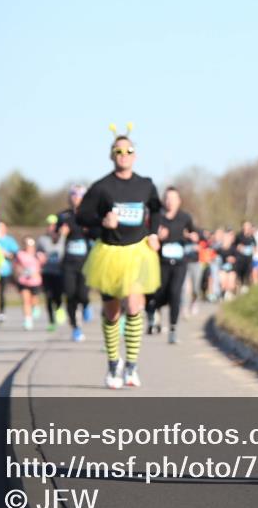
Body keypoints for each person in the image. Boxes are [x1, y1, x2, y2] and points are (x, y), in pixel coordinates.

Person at [77, 125, 161, 389]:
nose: (124, 155)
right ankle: (114, 363)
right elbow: (81, 217)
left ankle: (132, 366)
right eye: (118, 151)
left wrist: (154, 233)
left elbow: (156, 211)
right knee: (112, 313)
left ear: (135, 156)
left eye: (128, 151)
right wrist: (104, 222)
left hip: (138, 252)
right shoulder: (102, 187)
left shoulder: (145, 185)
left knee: (135, 306)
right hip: (110, 254)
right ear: (112, 156)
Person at [146, 187, 197, 344]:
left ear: (179, 201)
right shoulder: (157, 218)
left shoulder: (185, 217)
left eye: (173, 198)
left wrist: (191, 237)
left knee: (175, 293)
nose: (170, 202)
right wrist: (156, 236)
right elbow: (147, 235)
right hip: (161, 262)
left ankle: (173, 329)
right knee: (159, 293)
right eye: (167, 198)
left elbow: (194, 234)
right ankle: (154, 313)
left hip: (179, 263)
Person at [56, 184, 95, 342]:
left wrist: (90, 231)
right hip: (68, 262)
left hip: (85, 262)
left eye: (79, 195)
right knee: (70, 294)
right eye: (73, 194)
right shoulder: (63, 216)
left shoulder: (90, 215)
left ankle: (86, 304)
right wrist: (61, 233)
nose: (76, 197)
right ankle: (76, 328)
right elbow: (55, 238)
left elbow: (97, 234)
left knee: (83, 293)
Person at [37, 215, 66, 332]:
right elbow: (37, 252)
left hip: (60, 272)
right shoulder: (42, 240)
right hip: (47, 272)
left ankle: (59, 308)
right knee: (48, 297)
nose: (51, 227)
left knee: (58, 296)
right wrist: (39, 256)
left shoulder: (64, 238)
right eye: (49, 225)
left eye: (53, 225)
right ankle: (51, 322)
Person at [14, 237, 43, 330]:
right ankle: (28, 320)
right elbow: (16, 266)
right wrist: (20, 271)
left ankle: (36, 307)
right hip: (23, 280)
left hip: (35, 281)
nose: (29, 247)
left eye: (30, 245)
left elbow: (42, 267)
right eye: (27, 245)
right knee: (25, 300)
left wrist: (36, 273)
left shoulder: (38, 255)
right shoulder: (20, 254)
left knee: (33, 300)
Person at [0, 221, 19, 323]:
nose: (0, 229)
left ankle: (1, 311)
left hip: (5, 270)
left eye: (2, 228)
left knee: (2, 293)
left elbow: (16, 254)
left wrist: (7, 254)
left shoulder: (9, 240)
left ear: (5, 229)